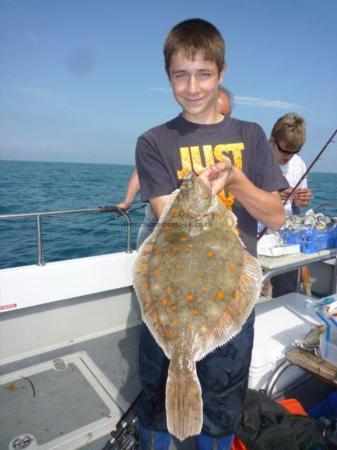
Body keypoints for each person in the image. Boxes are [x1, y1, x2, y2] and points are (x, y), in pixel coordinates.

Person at [135, 18, 287, 450]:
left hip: (228, 300)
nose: (193, 86)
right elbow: (170, 218)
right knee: (156, 401)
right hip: (170, 296)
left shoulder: (251, 136)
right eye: (181, 75)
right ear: (169, 78)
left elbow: (275, 217)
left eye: (203, 73)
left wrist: (236, 182)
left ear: (220, 73)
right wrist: (198, 191)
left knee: (223, 408)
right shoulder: (153, 142)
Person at [116, 86, 233, 211]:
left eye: (226, 117)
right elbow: (142, 171)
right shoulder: (167, 142)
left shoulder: (232, 147)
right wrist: (127, 202)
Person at [269, 113, 312, 297]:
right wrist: (272, 196)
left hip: (286, 235)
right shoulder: (253, 158)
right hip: (255, 236)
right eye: (284, 150)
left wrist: (304, 199)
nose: (288, 156)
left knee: (286, 292)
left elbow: (301, 204)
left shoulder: (299, 163)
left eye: (294, 152)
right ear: (272, 141)